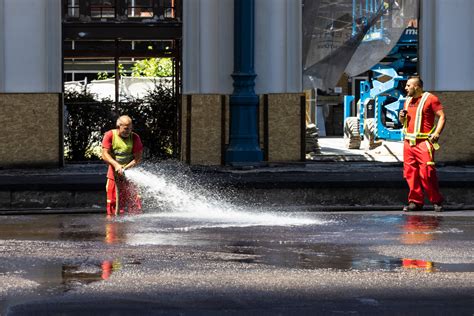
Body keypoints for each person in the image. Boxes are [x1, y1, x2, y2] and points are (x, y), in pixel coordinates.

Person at [399, 76, 446, 212]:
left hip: (424, 143)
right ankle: (415, 202)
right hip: (409, 143)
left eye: (408, 86)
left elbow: (442, 117)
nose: (406, 88)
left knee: (427, 173)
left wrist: (437, 133)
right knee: (410, 173)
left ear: (417, 87)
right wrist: (401, 118)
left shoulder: (431, 99)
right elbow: (405, 122)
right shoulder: (407, 101)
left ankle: (436, 201)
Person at [102, 115, 143, 215]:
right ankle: (112, 226)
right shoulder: (110, 135)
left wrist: (125, 168)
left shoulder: (135, 137)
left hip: (129, 173)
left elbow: (137, 158)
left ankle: (134, 224)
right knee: (112, 202)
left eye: (130, 129)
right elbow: (105, 154)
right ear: (118, 127)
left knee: (134, 201)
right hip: (113, 174)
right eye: (125, 129)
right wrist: (116, 165)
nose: (128, 131)